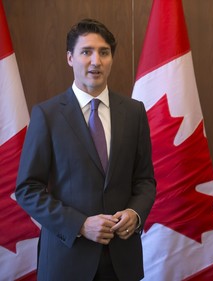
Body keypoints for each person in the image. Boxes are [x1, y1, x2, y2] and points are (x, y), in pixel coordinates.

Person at [16, 18, 156, 281]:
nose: (96, 61)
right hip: (66, 261)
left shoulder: (134, 112)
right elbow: (27, 189)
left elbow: (145, 180)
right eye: (86, 52)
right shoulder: (47, 115)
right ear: (70, 58)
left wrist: (135, 213)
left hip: (121, 262)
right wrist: (79, 224)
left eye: (104, 52)